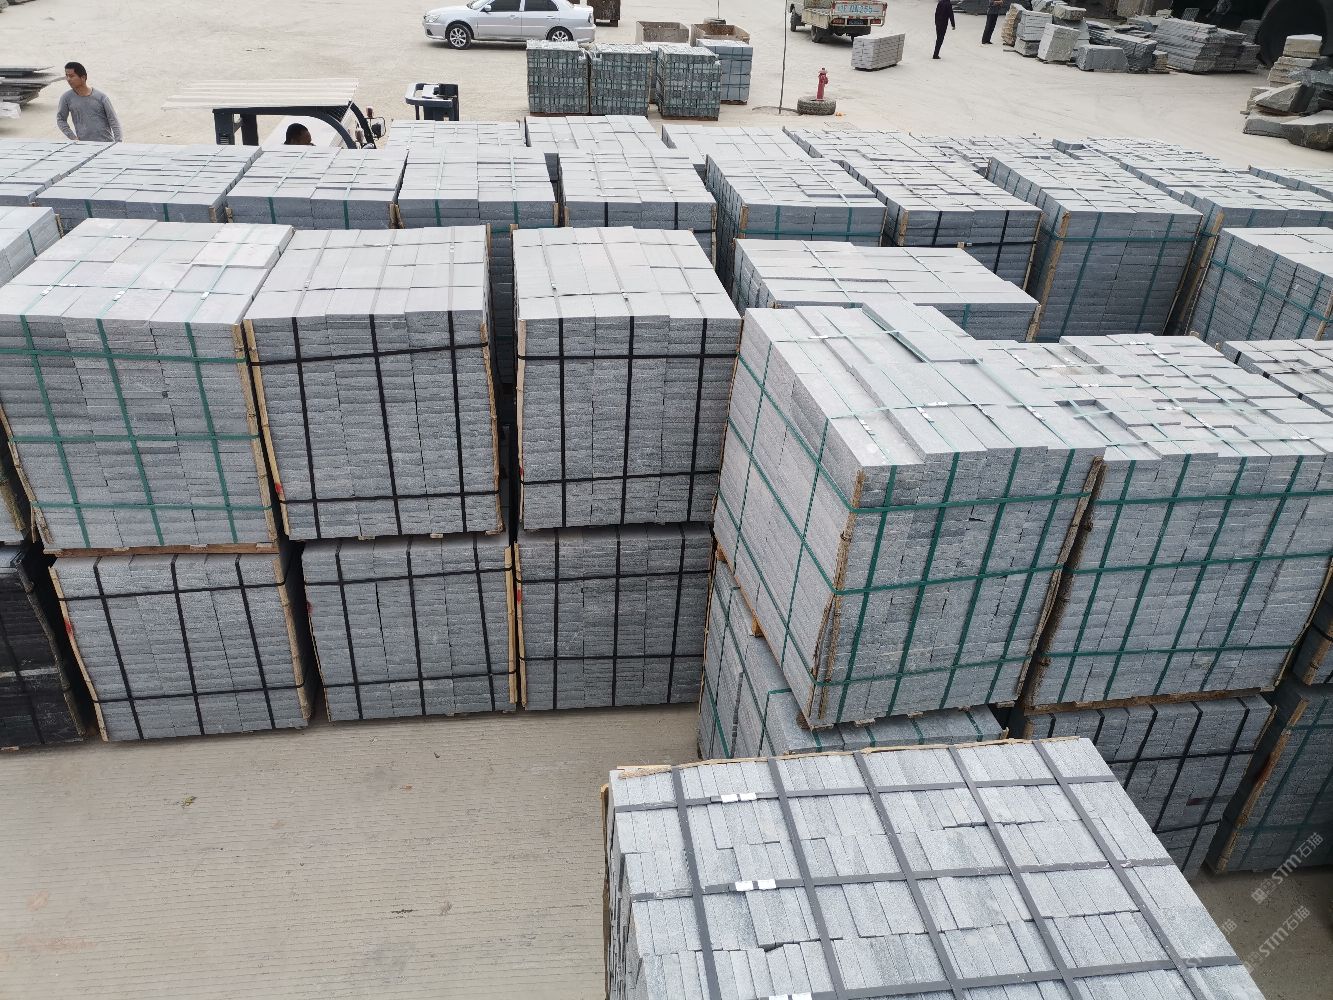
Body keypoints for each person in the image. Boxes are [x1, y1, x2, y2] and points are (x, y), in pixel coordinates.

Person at [56, 62, 122, 142]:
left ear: (83, 77)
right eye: (67, 76)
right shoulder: (66, 98)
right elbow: (60, 119)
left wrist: (118, 143)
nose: (68, 79)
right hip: (84, 145)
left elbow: (114, 121)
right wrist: (73, 137)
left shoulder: (101, 97)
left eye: (71, 76)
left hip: (106, 144)